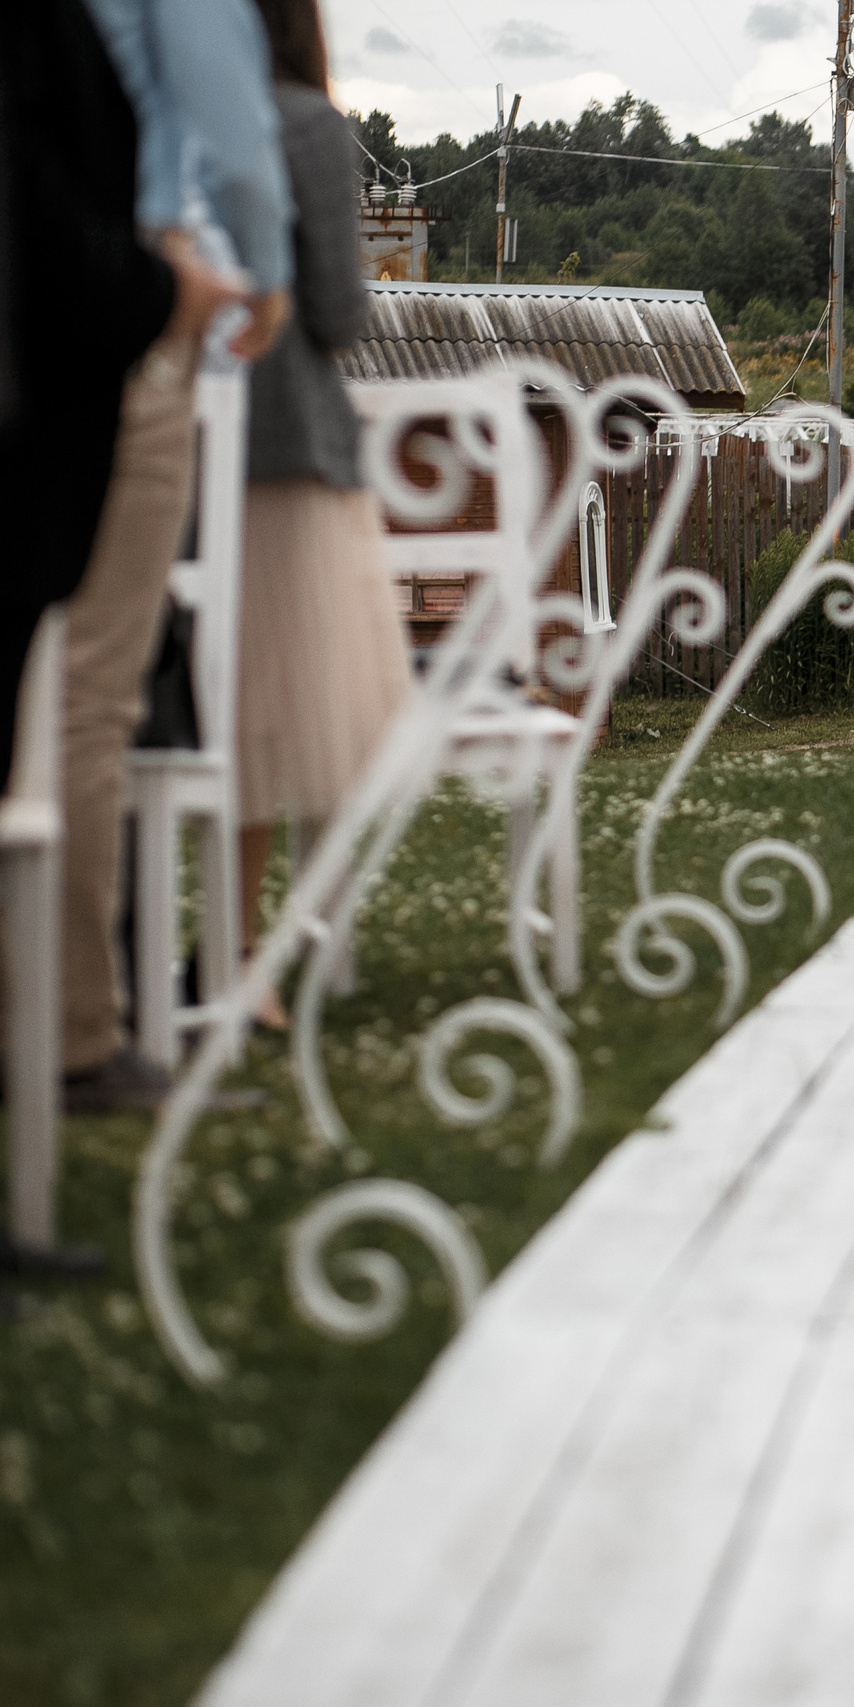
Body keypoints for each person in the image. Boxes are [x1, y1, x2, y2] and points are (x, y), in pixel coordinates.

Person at [36, 0, 291, 1115]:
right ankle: (75, 1034)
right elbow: (232, 134)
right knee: (89, 694)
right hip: (124, 295)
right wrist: (266, 268)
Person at [231, 0, 411, 1028]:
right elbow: (342, 312)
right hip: (288, 444)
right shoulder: (305, 123)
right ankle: (250, 947)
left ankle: (213, 947)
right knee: (290, 706)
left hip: (174, 434)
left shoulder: (173, 114)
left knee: (214, 703)